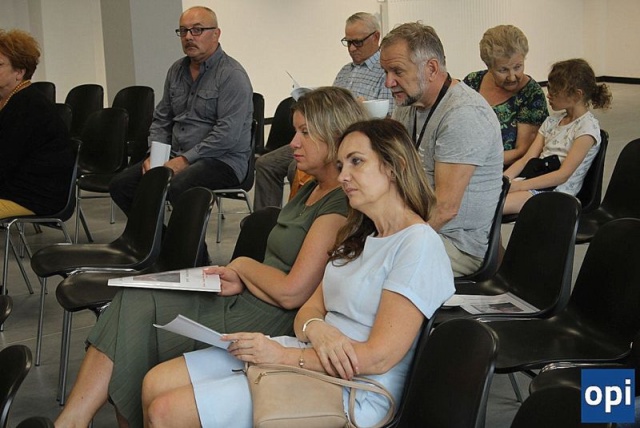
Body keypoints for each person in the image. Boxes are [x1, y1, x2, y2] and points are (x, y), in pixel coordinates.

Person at [54, 87, 367, 428]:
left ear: (333, 136)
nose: (293, 143)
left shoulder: (337, 205)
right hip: (254, 296)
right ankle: (73, 420)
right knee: (133, 299)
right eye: (295, 131)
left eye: (305, 132)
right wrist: (246, 278)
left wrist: (242, 267)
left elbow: (293, 293)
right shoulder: (311, 188)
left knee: (138, 315)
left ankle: (73, 421)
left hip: (270, 318)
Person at [141, 118, 455, 428]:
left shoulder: (418, 244)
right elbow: (307, 312)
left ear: (394, 166)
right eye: (341, 165)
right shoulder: (361, 234)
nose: (343, 176)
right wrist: (319, 331)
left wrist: (281, 356)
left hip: (355, 392)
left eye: (356, 162)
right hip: (311, 356)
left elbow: (377, 358)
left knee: (167, 411)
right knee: (155, 382)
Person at [380, 23, 503, 277]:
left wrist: (392, 242)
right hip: (418, 225)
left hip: (457, 244)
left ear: (432, 69)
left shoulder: (463, 114)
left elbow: (445, 208)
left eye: (397, 71)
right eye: (386, 71)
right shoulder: (408, 103)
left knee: (373, 268)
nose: (388, 82)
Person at [109, 6, 253, 218]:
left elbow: (227, 135)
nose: (188, 37)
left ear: (216, 34)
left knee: (178, 186)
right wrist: (154, 156)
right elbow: (162, 120)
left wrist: (184, 160)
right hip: (176, 156)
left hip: (222, 160)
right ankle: (157, 237)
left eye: (197, 30)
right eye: (183, 31)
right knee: (121, 185)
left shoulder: (232, 75)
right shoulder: (176, 70)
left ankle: (189, 241)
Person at [253, 12, 394, 211]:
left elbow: (386, 117)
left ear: (375, 37)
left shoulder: (384, 73)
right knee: (266, 164)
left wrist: (358, 110)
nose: (352, 48)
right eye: (348, 42)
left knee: (297, 168)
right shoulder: (345, 71)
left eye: (358, 42)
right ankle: (268, 222)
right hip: (321, 135)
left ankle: (305, 217)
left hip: (347, 140)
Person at [503, 58, 612, 215]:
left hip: (557, 193)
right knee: (484, 199)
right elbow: (527, 159)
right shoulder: (552, 121)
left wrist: (519, 186)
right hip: (535, 181)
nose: (548, 95)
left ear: (577, 95)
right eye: (549, 89)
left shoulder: (586, 129)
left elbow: (562, 175)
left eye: (555, 91)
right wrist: (504, 180)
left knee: (491, 207)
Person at [0, 29, 74, 219]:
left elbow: (6, 160)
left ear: (19, 72)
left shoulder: (30, 105)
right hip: (11, 188)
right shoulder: (8, 100)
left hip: (33, 195)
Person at [463, 25, 548, 167]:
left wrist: (474, 163)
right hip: (465, 163)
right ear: (489, 66)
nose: (512, 77)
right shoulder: (472, 82)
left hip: (505, 171)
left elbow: (523, 152)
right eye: (503, 70)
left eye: (518, 67)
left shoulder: (532, 94)